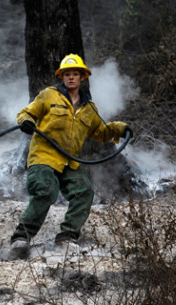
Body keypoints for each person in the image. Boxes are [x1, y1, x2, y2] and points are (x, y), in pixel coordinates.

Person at [8, 54, 130, 259]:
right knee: (46, 191)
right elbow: (26, 112)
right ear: (62, 77)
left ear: (82, 77)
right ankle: (21, 238)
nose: (71, 77)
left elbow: (101, 131)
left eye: (75, 74)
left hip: (69, 161)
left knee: (84, 192)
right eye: (67, 74)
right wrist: (26, 121)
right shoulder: (49, 95)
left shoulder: (89, 108)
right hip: (44, 156)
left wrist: (120, 128)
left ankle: (67, 238)